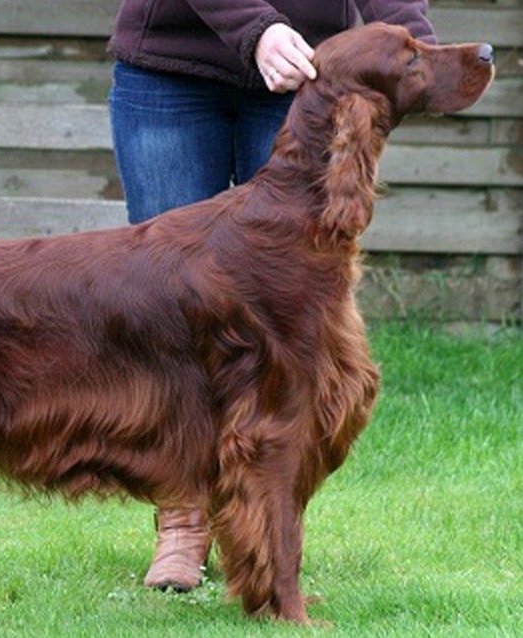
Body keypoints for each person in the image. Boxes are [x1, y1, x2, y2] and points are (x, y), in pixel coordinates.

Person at [105, 1, 437, 591]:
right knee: (174, 320)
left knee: (281, 352)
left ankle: (269, 541)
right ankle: (182, 523)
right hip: (173, 68)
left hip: (302, 75)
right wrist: (255, 30)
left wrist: (415, 50)